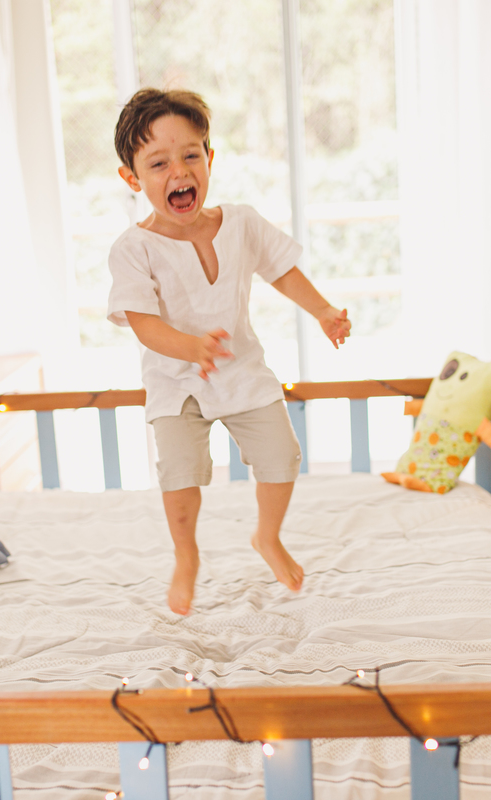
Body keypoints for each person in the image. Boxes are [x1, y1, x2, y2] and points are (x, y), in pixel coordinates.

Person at [106, 88, 352, 615]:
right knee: (180, 473)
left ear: (209, 159)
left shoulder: (239, 222)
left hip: (239, 368)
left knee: (282, 454)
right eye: (159, 163)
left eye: (191, 155)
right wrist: (190, 348)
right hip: (176, 381)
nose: (179, 171)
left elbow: (281, 271)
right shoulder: (134, 249)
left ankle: (267, 536)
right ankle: (186, 555)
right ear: (133, 178)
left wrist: (325, 311)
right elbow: (144, 324)